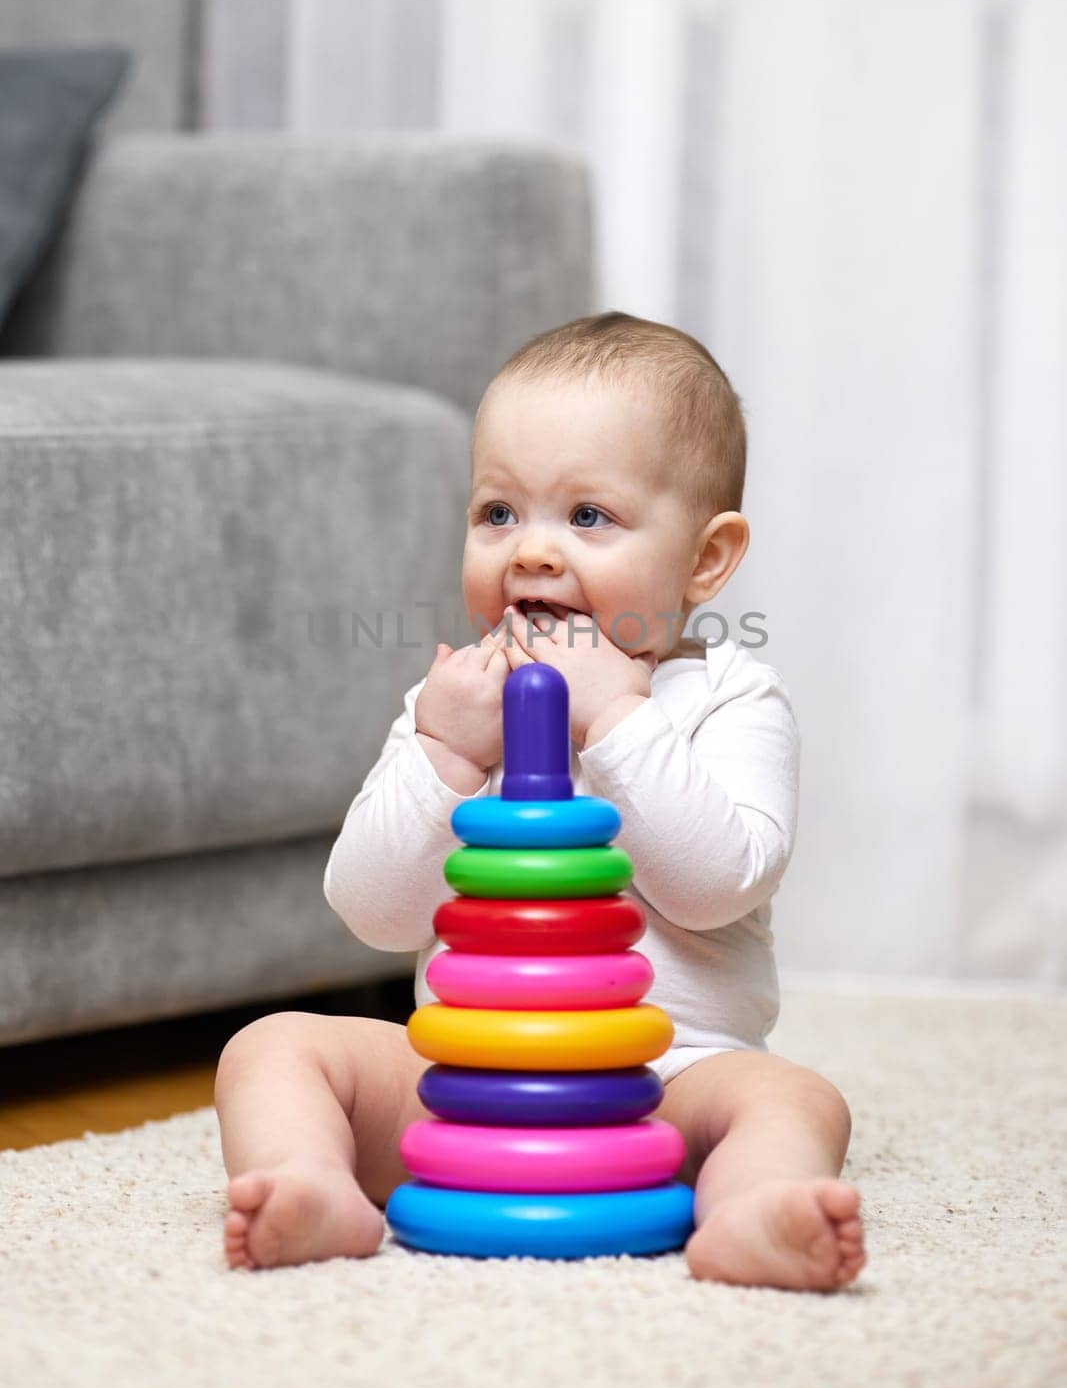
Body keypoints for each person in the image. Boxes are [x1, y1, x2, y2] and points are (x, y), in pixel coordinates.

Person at [215, 311, 866, 1290]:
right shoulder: (457, 702)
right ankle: (307, 1182)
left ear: (703, 558)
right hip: (463, 1088)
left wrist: (616, 725)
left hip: (661, 1086)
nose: (529, 552)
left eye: (588, 517)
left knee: (793, 1099)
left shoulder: (728, 697)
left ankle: (750, 1210)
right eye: (497, 514)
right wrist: (440, 750)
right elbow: (371, 909)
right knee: (267, 1046)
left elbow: (717, 885)